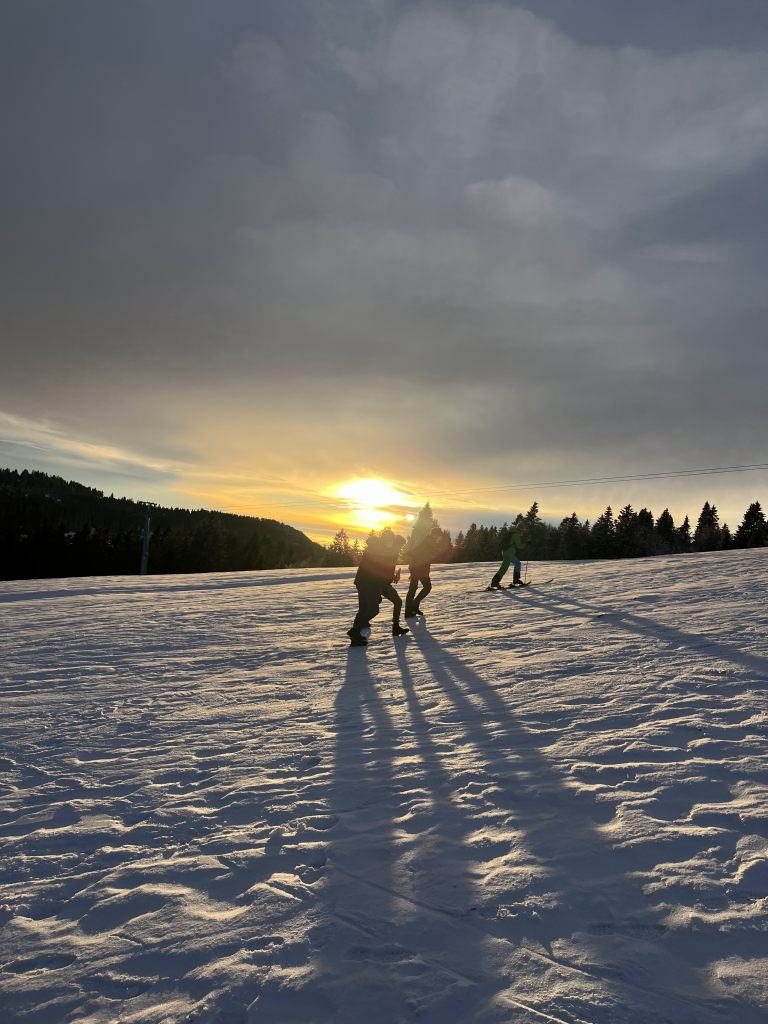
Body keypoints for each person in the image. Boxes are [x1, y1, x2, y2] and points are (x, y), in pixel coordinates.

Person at [347, 529, 409, 646]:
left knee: (397, 601)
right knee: (371, 609)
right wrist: (390, 578)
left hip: (378, 583)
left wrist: (393, 577)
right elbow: (377, 569)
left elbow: (385, 570)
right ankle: (355, 632)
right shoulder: (379, 549)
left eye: (401, 546)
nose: (400, 548)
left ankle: (395, 627)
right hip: (368, 583)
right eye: (399, 545)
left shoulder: (390, 551)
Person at [405, 526, 443, 618]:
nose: (439, 538)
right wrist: (415, 570)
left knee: (415, 588)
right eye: (438, 535)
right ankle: (410, 609)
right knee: (422, 587)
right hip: (418, 568)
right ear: (434, 534)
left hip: (419, 568)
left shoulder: (429, 541)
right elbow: (417, 555)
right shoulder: (427, 542)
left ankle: (412, 608)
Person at [487, 523, 527, 589]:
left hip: (507, 552)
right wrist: (526, 544)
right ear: (521, 529)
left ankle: (516, 580)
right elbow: (519, 546)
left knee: (518, 563)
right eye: (524, 528)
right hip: (508, 553)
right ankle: (494, 582)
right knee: (504, 568)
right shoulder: (516, 534)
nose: (524, 530)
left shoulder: (512, 532)